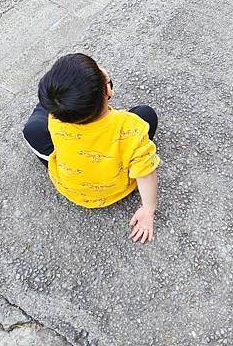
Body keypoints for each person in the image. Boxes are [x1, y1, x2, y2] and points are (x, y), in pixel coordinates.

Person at [22, 53, 160, 244]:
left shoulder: (55, 118)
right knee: (147, 114)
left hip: (72, 188)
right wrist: (147, 210)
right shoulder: (131, 127)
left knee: (32, 130)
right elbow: (146, 174)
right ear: (108, 91)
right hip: (117, 188)